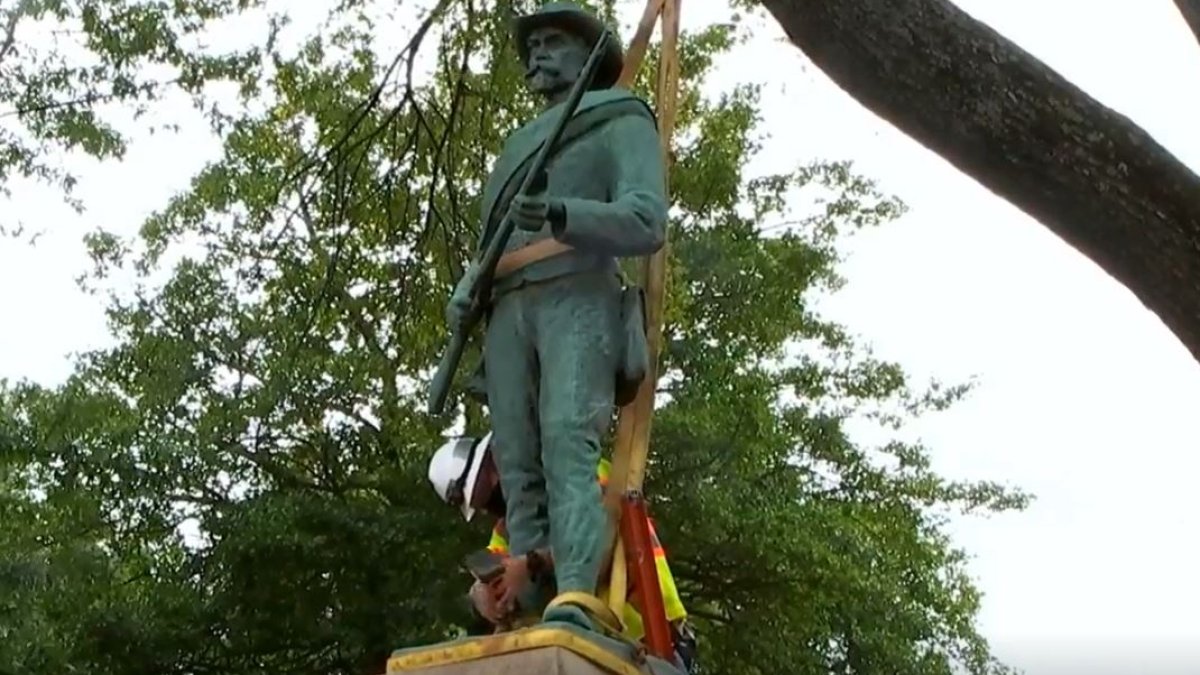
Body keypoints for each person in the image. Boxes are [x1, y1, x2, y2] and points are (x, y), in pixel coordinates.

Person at [439, 1, 669, 632]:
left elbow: (647, 219)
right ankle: (523, 605)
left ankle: (575, 598)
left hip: (578, 290)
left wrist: (565, 213)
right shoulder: (517, 146)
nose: (536, 53)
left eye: (552, 41)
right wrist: (468, 287)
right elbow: (492, 245)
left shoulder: (622, 119)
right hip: (507, 307)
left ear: (589, 54)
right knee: (519, 464)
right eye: (531, 44)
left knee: (569, 441)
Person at [428, 434, 697, 672]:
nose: (490, 508)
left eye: (487, 495)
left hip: (651, 635)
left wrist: (532, 565)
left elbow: (598, 542)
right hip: (597, 650)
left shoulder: (580, 476)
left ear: (496, 464)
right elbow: (493, 565)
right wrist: (481, 596)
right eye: (482, 505)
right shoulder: (512, 526)